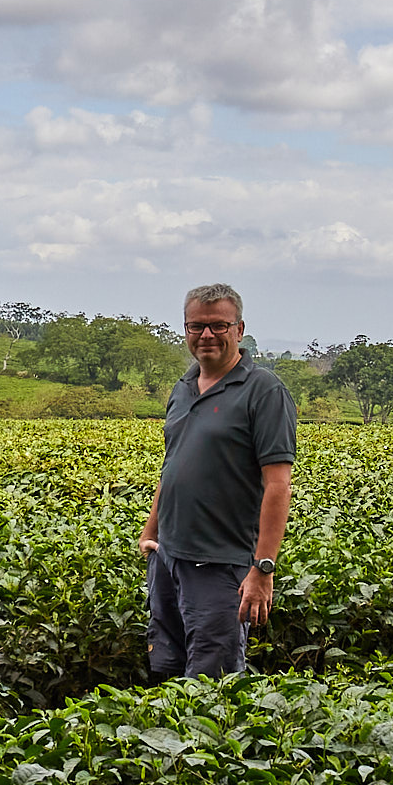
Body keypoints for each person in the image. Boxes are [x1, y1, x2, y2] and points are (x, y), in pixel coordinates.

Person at [136, 282, 296, 679]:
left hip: (221, 565)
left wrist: (263, 568)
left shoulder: (264, 391)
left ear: (239, 330)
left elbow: (278, 485)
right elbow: (173, 465)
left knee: (213, 684)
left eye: (218, 326)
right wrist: (150, 532)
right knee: (165, 672)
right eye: (196, 326)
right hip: (168, 561)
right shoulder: (183, 388)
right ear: (186, 330)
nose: (206, 335)